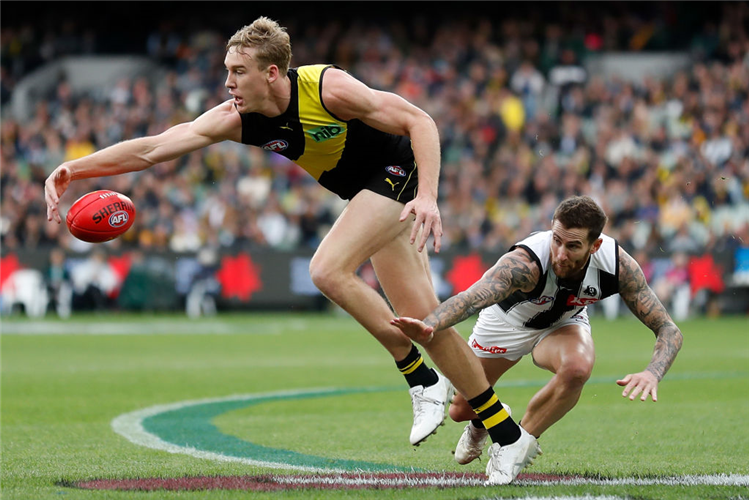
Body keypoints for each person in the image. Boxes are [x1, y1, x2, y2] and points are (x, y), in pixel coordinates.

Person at [44, 17, 532, 479]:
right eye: (227, 71)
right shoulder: (238, 117)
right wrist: (76, 170)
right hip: (367, 195)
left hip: (398, 176)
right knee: (428, 322)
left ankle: (418, 378)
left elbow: (419, 121)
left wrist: (428, 195)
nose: (229, 83)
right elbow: (155, 148)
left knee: (327, 270)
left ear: (272, 73)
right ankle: (506, 433)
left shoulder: (327, 88)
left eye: (239, 72)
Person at [392, 195, 684, 483]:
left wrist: (653, 372)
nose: (560, 253)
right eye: (557, 240)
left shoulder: (618, 267)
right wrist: (428, 325)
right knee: (459, 410)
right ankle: (483, 421)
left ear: (595, 246)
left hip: (563, 324)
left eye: (573, 246)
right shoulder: (526, 263)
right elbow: (472, 299)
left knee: (578, 368)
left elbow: (669, 329)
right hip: (504, 323)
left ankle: (516, 444)